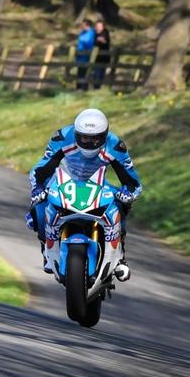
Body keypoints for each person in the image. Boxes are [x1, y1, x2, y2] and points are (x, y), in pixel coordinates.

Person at [25, 108, 142, 282]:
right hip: (64, 181)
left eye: (96, 138)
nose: (90, 143)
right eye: (85, 138)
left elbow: (131, 179)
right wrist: (38, 188)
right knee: (39, 208)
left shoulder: (115, 146)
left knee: (120, 205)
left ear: (105, 135)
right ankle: (46, 249)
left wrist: (129, 193)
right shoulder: (63, 137)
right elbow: (43, 167)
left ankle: (120, 256)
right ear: (77, 133)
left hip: (98, 185)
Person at [75, 19, 96, 90]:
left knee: (85, 73)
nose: (81, 26)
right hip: (80, 57)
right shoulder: (83, 32)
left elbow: (89, 43)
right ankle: (78, 88)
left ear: (87, 25)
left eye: (83, 25)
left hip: (86, 57)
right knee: (79, 73)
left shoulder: (91, 33)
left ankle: (83, 89)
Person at [93, 20, 111, 89]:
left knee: (101, 73)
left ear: (103, 27)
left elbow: (106, 41)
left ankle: (98, 88)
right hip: (95, 57)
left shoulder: (105, 33)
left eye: (100, 26)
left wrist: (102, 40)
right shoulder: (94, 33)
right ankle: (96, 87)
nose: (98, 27)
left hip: (104, 57)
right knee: (96, 72)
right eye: (97, 26)